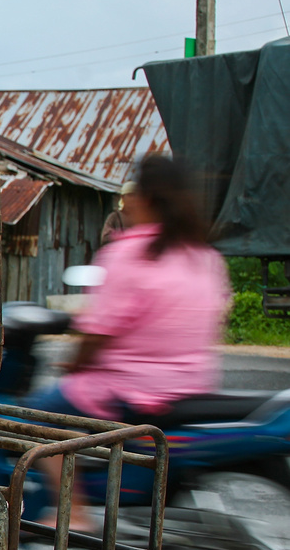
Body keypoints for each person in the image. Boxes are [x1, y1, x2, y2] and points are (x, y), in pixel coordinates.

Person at [29, 153, 231, 529]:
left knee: (39, 412)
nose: (126, 203)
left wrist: (71, 365)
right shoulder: (205, 256)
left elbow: (98, 334)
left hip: (135, 389)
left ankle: (73, 510)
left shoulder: (128, 253)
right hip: (194, 387)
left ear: (149, 199)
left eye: (132, 194)